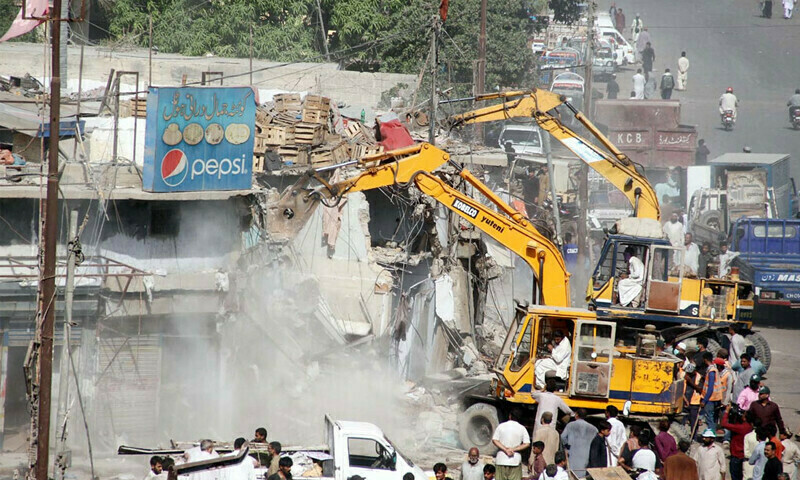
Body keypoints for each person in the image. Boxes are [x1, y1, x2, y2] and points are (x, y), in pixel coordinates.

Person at [492, 410, 531, 480]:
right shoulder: (522, 428)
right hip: (515, 461)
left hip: (501, 460)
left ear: (510, 416)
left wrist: (505, 449)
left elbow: (494, 440)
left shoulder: (501, 426)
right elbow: (527, 443)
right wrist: (513, 449)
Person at [562, 409, 599, 478]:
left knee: (572, 474)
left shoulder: (570, 425)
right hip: (586, 455)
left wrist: (567, 446)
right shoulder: (594, 429)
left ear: (576, 415)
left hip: (573, 454)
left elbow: (563, 437)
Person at [721, 405, 754, 480]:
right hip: (744, 455)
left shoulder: (740, 427)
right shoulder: (749, 427)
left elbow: (724, 424)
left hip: (737, 455)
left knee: (735, 476)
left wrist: (727, 412)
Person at [700, 351, 724, 437]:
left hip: (711, 398)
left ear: (705, 360)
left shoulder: (711, 371)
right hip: (716, 397)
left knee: (709, 418)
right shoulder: (714, 368)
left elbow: (710, 388)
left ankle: (711, 435)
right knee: (713, 418)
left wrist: (704, 400)